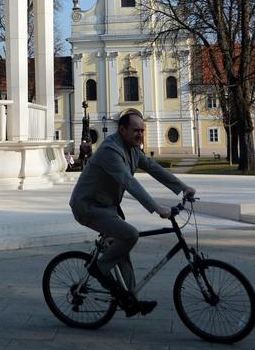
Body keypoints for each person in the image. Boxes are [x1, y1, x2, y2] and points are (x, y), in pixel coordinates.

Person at [69, 111, 196, 317]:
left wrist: (182, 187)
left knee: (121, 250)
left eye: (142, 130)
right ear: (122, 129)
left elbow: (153, 168)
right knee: (130, 234)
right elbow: (129, 182)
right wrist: (157, 207)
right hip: (88, 207)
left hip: (106, 207)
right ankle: (99, 269)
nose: (140, 134)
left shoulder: (133, 149)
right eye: (136, 130)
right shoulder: (111, 150)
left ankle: (129, 299)